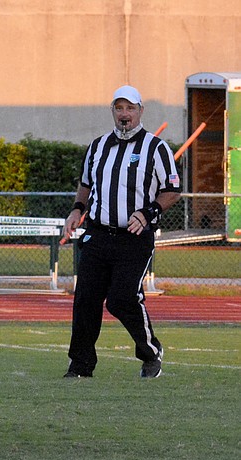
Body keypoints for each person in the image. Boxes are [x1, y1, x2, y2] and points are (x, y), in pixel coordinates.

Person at [61, 85, 181, 379]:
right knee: (86, 299)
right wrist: (77, 209)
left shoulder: (156, 147)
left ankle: (150, 352)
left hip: (134, 237)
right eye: (119, 108)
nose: (124, 114)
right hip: (98, 234)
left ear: (140, 111)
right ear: (112, 111)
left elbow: (173, 189)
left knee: (122, 298)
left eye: (130, 108)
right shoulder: (98, 146)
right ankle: (80, 365)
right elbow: (86, 184)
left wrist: (149, 211)